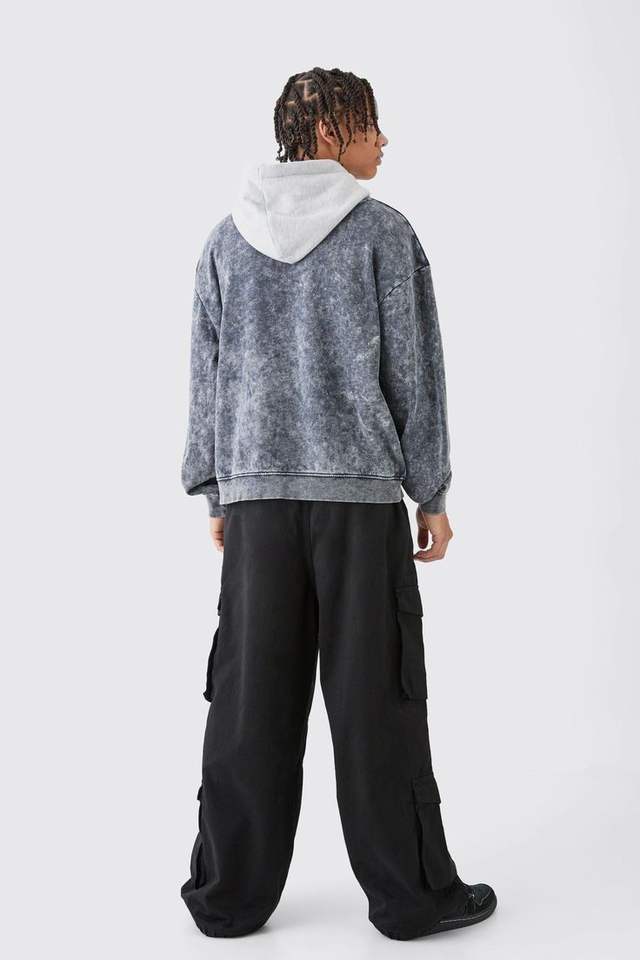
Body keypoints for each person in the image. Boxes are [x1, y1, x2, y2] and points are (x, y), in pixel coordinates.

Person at [180, 66, 496, 940]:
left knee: (248, 704)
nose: (383, 140)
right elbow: (415, 370)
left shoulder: (225, 239)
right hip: (356, 504)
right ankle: (412, 897)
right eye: (369, 125)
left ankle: (228, 899)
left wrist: (217, 490)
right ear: (327, 132)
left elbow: (208, 375)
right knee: (376, 705)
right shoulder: (383, 232)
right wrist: (431, 490)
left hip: (257, 506)